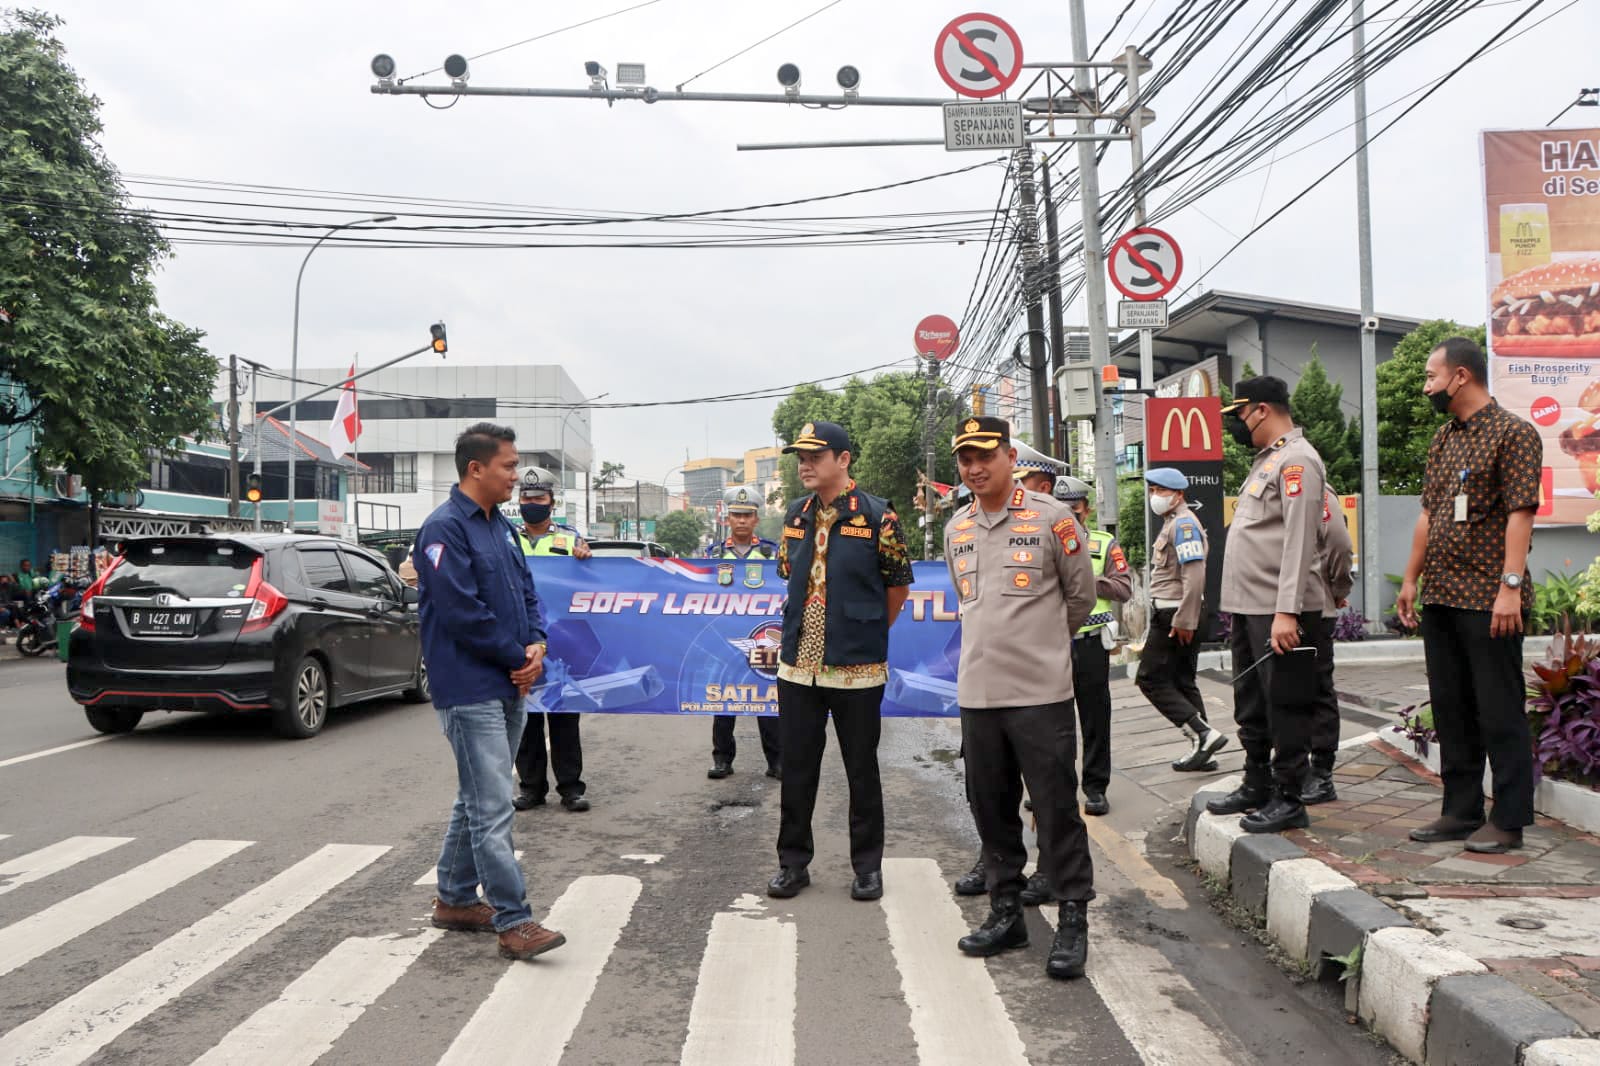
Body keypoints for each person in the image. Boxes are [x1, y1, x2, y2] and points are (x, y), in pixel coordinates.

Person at [945, 416, 1098, 980]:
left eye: (985, 455)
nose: (974, 467)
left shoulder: (1054, 520)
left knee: (1056, 809)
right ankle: (1006, 913)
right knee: (991, 809)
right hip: (978, 694)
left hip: (1041, 693)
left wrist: (1041, 649)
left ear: (1010, 456)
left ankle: (1074, 919)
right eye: (965, 459)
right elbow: (971, 606)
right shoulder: (957, 526)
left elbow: (1079, 598)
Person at [415, 422, 565, 961]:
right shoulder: (443, 529)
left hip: (509, 680)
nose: (515, 476)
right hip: (469, 685)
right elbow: (461, 614)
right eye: (508, 465)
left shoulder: (499, 526)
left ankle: (454, 900)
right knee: (492, 804)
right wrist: (515, 656)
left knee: (477, 795)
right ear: (475, 469)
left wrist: (537, 645)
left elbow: (525, 590)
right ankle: (513, 919)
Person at [1398, 336, 1541, 854]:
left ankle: (1508, 820)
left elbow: (1522, 513)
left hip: (1488, 597)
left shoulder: (1514, 433)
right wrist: (1412, 579)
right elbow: (1428, 513)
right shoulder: (1443, 439)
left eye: (1432, 377)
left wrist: (1509, 588)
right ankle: (1459, 811)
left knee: (1498, 711)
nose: (1426, 386)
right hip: (1441, 595)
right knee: (1452, 710)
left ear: (1461, 376)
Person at [767, 421, 913, 903]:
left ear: (844, 459)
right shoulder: (795, 514)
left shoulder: (878, 517)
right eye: (800, 457)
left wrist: (864, 633)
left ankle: (867, 867)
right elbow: (790, 574)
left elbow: (898, 587)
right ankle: (793, 864)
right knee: (798, 770)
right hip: (797, 667)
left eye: (815, 456)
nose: (804, 465)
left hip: (858, 669)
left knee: (861, 770)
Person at [1207, 376, 1328, 834]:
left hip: (1279, 611)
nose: (1237, 425)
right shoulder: (1268, 461)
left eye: (1239, 415)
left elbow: (1299, 540)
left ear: (1261, 410)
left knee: (1286, 706)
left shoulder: (1297, 460)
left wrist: (1287, 612)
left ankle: (1289, 797)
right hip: (1251, 606)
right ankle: (1256, 783)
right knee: (1252, 703)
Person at [512, 466, 593, 814]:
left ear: (551, 502)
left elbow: (589, 583)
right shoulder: (506, 538)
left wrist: (585, 558)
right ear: (519, 501)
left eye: (539, 498)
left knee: (563, 717)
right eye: (527, 498)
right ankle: (531, 788)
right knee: (526, 718)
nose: (532, 503)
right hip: (519, 638)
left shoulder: (569, 539)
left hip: (562, 641)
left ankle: (571, 789)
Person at [1138, 468, 1230, 773]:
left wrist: (1186, 619)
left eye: (1160, 491)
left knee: (1149, 679)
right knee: (1182, 681)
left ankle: (1202, 734)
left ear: (1178, 494)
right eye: (1152, 490)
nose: (1154, 496)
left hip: (1175, 614)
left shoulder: (1184, 524)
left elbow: (1195, 574)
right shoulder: (1173, 522)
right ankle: (1204, 748)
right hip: (1178, 612)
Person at [1050, 475, 1132, 819]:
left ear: (1085, 509)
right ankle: (1054, 786)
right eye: (1062, 508)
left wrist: (1085, 578)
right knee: (1052, 720)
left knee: (1095, 718)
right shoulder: (1040, 543)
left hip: (1090, 643)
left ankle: (1096, 788)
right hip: (1051, 644)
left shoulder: (1103, 544)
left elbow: (1123, 588)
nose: (1069, 514)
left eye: (1075, 508)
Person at [704, 484, 782, 780]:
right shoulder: (713, 554)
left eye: (746, 515)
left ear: (756, 519)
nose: (741, 520)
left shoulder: (771, 552)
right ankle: (722, 759)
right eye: (736, 514)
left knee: (768, 700)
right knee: (723, 700)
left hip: (763, 636)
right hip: (724, 636)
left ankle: (777, 761)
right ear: (727, 518)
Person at [1303, 487, 1354, 805]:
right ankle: (1295, 767)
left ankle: (1321, 773)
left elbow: (1339, 544)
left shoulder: (1317, 493)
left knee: (1317, 689)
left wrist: (1336, 589)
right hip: (1282, 606)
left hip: (1313, 608)